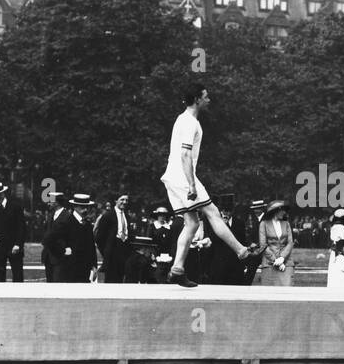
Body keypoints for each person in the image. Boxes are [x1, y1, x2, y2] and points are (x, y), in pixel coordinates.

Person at [159, 84, 260, 287]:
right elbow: (185, 154)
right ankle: (242, 252)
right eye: (206, 97)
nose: (209, 99)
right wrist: (191, 184)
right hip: (183, 177)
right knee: (213, 212)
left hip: (172, 176)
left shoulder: (182, 119)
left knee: (192, 223)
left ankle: (177, 269)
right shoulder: (190, 123)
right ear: (197, 99)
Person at [0, 181, 29, 283]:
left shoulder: (16, 207)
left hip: (14, 248)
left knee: (18, 278)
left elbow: (22, 228)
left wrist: (18, 244)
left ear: (3, 193)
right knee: (0, 279)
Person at [93, 193, 134, 284]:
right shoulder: (108, 215)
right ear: (116, 201)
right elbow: (99, 237)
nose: (124, 202)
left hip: (124, 251)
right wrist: (106, 252)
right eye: (122, 200)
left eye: (126, 200)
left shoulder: (127, 216)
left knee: (122, 278)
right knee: (111, 280)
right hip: (112, 251)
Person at [255, 200, 295, 286]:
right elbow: (263, 245)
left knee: (287, 293)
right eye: (282, 210)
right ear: (275, 211)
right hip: (269, 263)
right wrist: (275, 260)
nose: (284, 212)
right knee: (269, 294)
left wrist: (282, 258)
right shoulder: (264, 224)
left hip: (286, 263)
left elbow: (290, 243)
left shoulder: (286, 224)